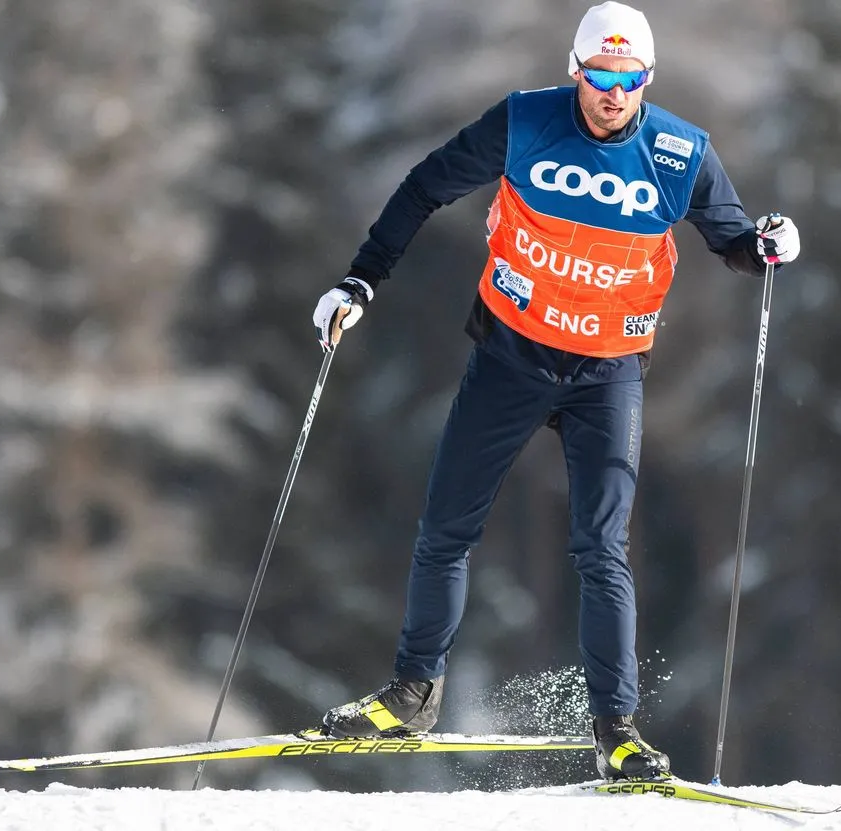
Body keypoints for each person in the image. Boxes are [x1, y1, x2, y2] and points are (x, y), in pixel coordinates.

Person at [310, 1, 800, 780]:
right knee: (445, 528)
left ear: (647, 78)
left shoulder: (681, 153)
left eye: (629, 78)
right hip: (510, 356)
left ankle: (619, 730)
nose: (614, 93)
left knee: (601, 548)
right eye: (601, 76)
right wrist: (359, 280)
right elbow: (423, 186)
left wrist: (766, 245)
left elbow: (734, 242)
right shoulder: (524, 124)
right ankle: (412, 692)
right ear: (576, 73)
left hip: (608, 374)